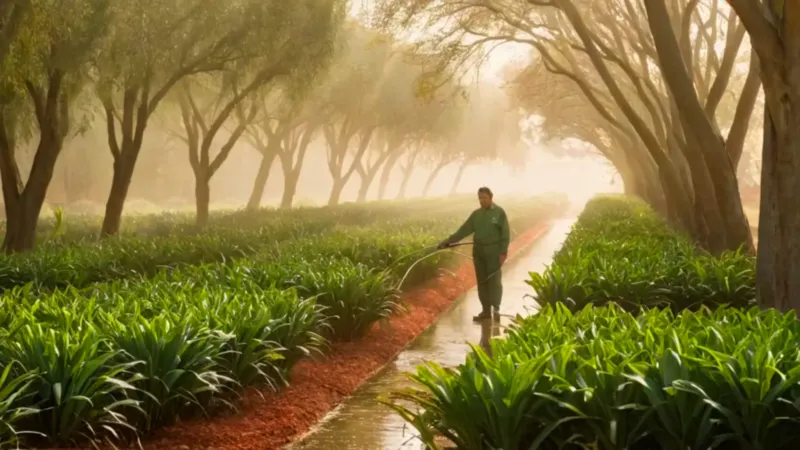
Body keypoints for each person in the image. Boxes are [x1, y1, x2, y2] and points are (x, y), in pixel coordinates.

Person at [438, 187, 510, 322]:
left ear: (491, 197)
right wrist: (448, 241)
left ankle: (496, 309)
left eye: (485, 198)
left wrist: (503, 252)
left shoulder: (499, 213)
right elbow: (464, 230)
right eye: (480, 198)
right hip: (478, 252)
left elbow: (505, 234)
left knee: (494, 281)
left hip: (493, 252)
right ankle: (485, 310)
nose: (482, 201)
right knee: (482, 281)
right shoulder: (476, 215)